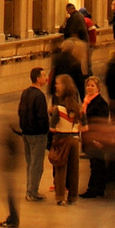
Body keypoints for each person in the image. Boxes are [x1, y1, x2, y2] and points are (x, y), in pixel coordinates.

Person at [16, 66, 51, 200]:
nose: (46, 78)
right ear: (38, 78)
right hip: (37, 134)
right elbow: (42, 117)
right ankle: (32, 192)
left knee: (30, 163)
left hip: (26, 133)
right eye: (44, 75)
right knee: (36, 165)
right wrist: (45, 132)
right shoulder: (39, 96)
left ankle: (29, 189)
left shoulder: (25, 93)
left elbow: (21, 111)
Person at [49, 74, 82, 206]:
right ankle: (73, 197)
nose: (56, 85)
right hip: (74, 139)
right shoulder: (78, 108)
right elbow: (84, 126)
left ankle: (60, 196)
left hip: (61, 139)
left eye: (58, 83)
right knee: (74, 170)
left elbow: (52, 128)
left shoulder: (58, 108)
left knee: (60, 168)